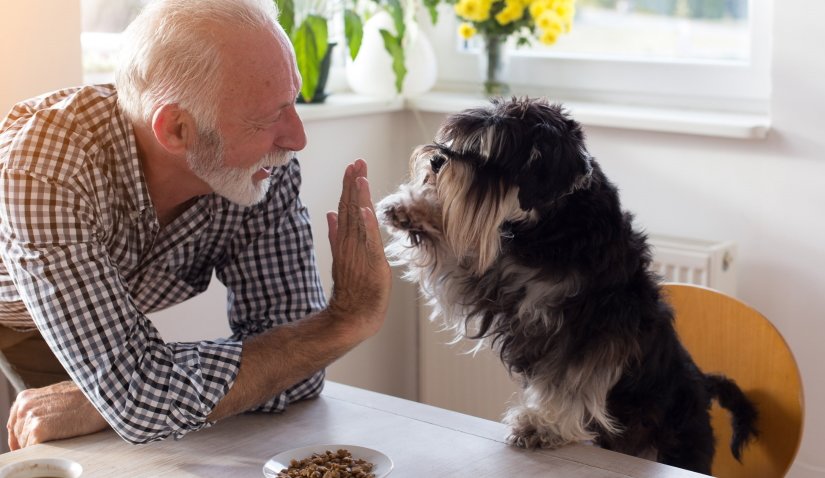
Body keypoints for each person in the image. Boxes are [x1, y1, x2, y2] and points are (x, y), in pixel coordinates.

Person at [0, 0, 391, 449]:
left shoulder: (263, 168)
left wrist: (121, 395)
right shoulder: (45, 167)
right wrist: (346, 320)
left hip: (96, 309)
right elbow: (141, 400)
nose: (296, 138)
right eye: (266, 118)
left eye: (293, 101)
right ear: (176, 130)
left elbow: (298, 374)